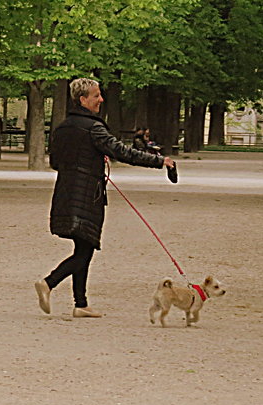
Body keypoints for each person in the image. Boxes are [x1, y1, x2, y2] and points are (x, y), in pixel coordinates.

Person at [34, 78, 175, 318]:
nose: (101, 99)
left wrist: (89, 160)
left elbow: (56, 163)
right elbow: (122, 151)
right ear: (83, 100)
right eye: (96, 96)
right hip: (88, 194)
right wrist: (159, 161)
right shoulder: (93, 128)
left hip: (66, 190)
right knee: (85, 248)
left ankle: (81, 304)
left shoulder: (62, 128)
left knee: (84, 246)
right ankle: (49, 282)